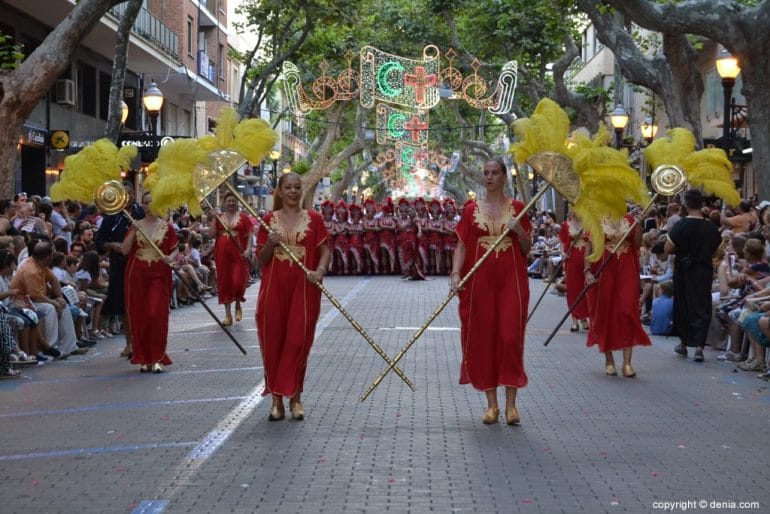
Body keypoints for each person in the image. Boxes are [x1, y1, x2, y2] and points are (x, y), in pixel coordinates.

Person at [450, 157, 532, 425]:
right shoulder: (471, 210)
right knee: (484, 339)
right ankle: (492, 406)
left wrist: (519, 231)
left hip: (512, 281)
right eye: (485, 173)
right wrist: (455, 274)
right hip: (479, 283)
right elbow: (461, 245)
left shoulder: (519, 208)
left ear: (505, 177)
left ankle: (511, 406)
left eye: (495, 172)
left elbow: (527, 248)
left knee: (510, 337)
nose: (489, 177)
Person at [256, 173, 331, 421]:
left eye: (297, 187)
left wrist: (319, 271)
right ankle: (276, 400)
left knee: (299, 342)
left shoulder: (314, 219)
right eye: (288, 187)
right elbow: (262, 260)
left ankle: (296, 397)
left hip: (304, 288)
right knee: (273, 342)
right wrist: (270, 243)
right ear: (279, 190)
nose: (293, 191)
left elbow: (325, 251)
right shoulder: (268, 220)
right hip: (273, 290)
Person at [584, 213, 651, 377]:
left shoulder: (629, 219)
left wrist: (639, 225)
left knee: (628, 312)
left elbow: (636, 244)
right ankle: (609, 360)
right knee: (605, 313)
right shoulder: (596, 219)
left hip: (627, 271)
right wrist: (587, 272)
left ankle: (627, 363)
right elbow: (589, 248)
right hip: (605, 271)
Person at [118, 191, 178, 373]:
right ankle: (143, 357)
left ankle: (157, 356)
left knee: (155, 314)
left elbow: (175, 250)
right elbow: (124, 250)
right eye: (145, 202)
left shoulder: (167, 227)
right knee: (139, 315)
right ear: (141, 205)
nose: (148, 206)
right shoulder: (136, 226)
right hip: (137, 275)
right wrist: (133, 232)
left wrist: (170, 257)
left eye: (152, 202)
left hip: (159, 273)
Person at [665, 189, 723, 361]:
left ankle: (683, 344)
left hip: (684, 269)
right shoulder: (711, 228)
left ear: (686, 205)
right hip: (703, 271)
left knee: (684, 304)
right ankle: (699, 348)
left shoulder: (681, 226)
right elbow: (716, 251)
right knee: (702, 306)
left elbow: (668, 248)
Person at [97, 182, 144, 358]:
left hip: (140, 263)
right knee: (125, 305)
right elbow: (100, 241)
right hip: (119, 264)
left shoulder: (142, 213)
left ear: (133, 194)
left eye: (129, 193)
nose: (126, 196)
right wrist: (112, 245)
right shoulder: (111, 216)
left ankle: (142, 341)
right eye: (123, 193)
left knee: (141, 304)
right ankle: (130, 343)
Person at [209, 191, 253, 326]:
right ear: (224, 203)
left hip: (238, 253)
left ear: (237, 202)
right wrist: (213, 219)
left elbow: (250, 235)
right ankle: (228, 315)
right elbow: (211, 234)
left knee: (238, 281)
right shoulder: (219, 217)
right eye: (228, 201)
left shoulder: (244, 218)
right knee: (225, 282)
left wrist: (248, 249)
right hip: (222, 254)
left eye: (233, 201)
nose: (231, 203)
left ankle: (238, 301)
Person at [559, 213, 589, 332]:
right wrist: (562, 253)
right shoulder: (566, 225)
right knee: (573, 290)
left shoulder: (588, 223)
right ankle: (574, 319)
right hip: (572, 259)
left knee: (585, 288)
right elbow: (562, 241)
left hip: (586, 258)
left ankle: (584, 317)